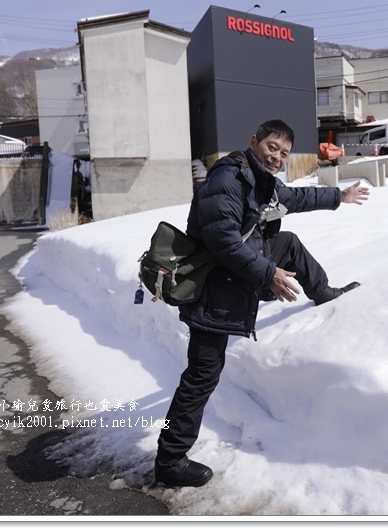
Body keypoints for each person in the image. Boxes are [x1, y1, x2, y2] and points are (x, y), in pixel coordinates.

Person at [154, 119, 369, 488]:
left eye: (283, 153)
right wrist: (268, 273)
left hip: (237, 277)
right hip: (213, 292)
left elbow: (294, 198)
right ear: (254, 142)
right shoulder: (228, 179)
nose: (277, 157)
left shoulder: (261, 180)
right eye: (272, 147)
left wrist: (339, 197)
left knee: (289, 241)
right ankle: (169, 460)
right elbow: (222, 241)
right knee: (200, 377)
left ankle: (323, 292)